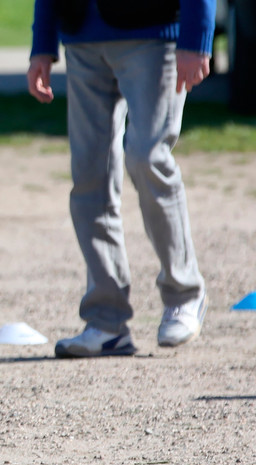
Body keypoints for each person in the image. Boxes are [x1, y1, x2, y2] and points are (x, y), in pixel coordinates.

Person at [27, 0, 212, 358]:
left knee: (147, 157)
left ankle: (184, 294)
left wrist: (197, 37)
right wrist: (42, 45)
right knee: (89, 175)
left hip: (154, 35)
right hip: (82, 38)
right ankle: (106, 321)